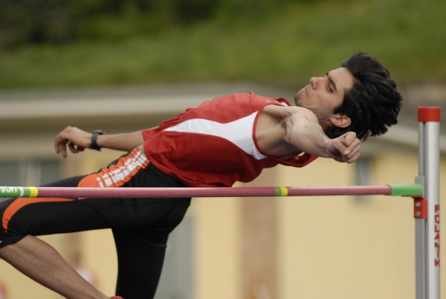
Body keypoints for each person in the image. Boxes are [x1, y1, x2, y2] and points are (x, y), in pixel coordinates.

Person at [0, 52, 402, 299]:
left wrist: (331, 147)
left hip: (137, 183)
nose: (316, 80)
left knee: (3, 221)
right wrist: (94, 139)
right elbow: (167, 135)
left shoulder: (287, 121)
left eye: (329, 86)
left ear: (340, 117)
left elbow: (303, 129)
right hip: (164, 204)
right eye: (324, 75)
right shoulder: (274, 117)